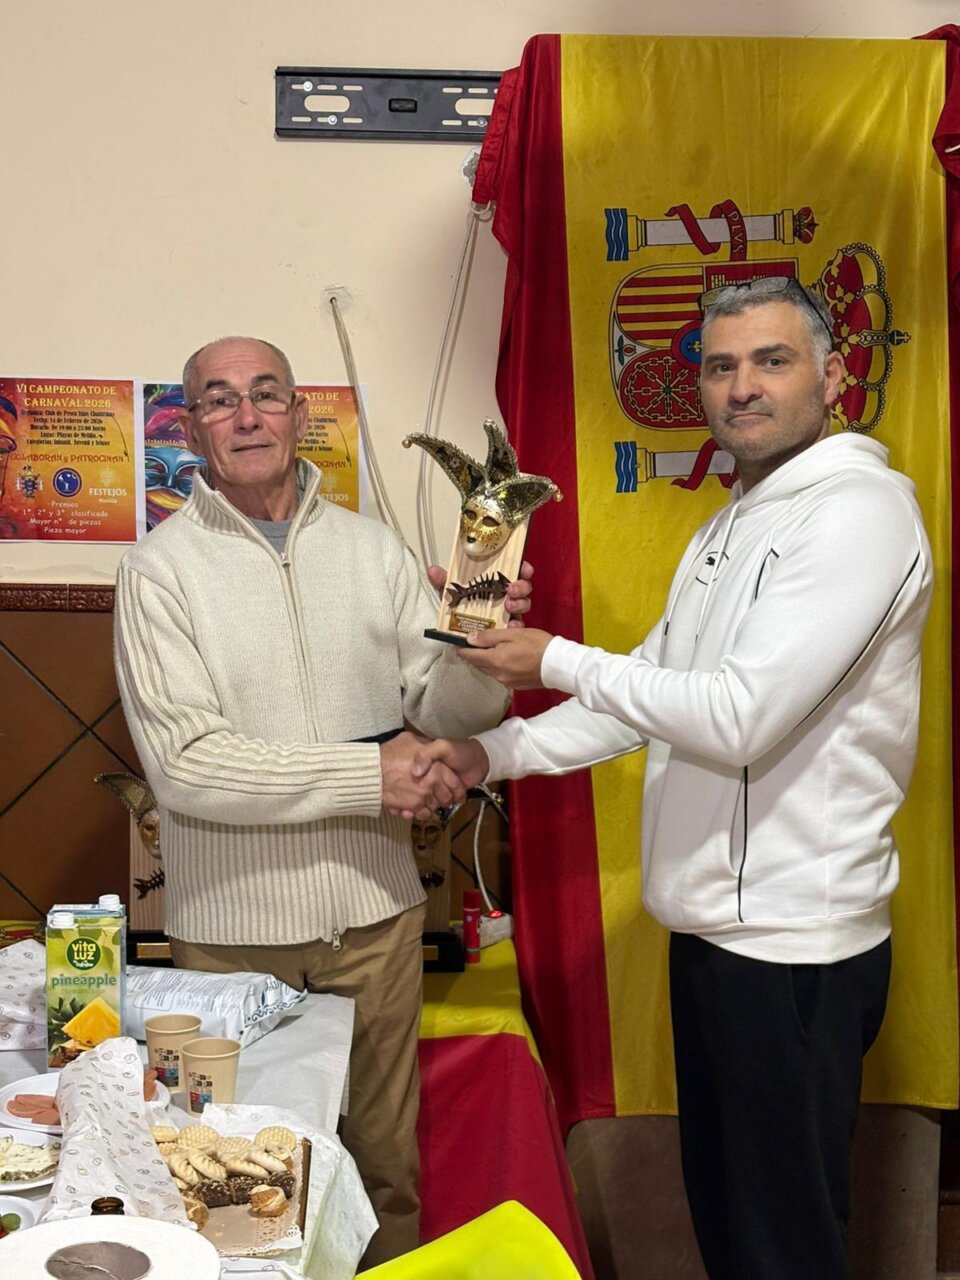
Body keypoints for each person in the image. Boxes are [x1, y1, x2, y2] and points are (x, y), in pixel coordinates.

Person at [418, 278, 933, 1280]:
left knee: (783, 1246)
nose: (742, 387)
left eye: (772, 361)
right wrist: (491, 755)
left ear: (833, 375)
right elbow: (641, 696)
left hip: (793, 947)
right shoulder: (731, 523)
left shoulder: (859, 513)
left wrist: (553, 657)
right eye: (720, 365)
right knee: (735, 1233)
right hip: (715, 937)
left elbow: (739, 717)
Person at [113, 335, 531, 1267]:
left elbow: (448, 709)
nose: (247, 415)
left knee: (385, 1176)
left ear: (301, 415)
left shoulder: (373, 549)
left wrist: (480, 645)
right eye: (220, 399)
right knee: (237, 1186)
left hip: (376, 923)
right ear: (190, 428)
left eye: (267, 393)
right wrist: (371, 775)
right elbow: (186, 766)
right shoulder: (157, 572)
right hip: (228, 942)